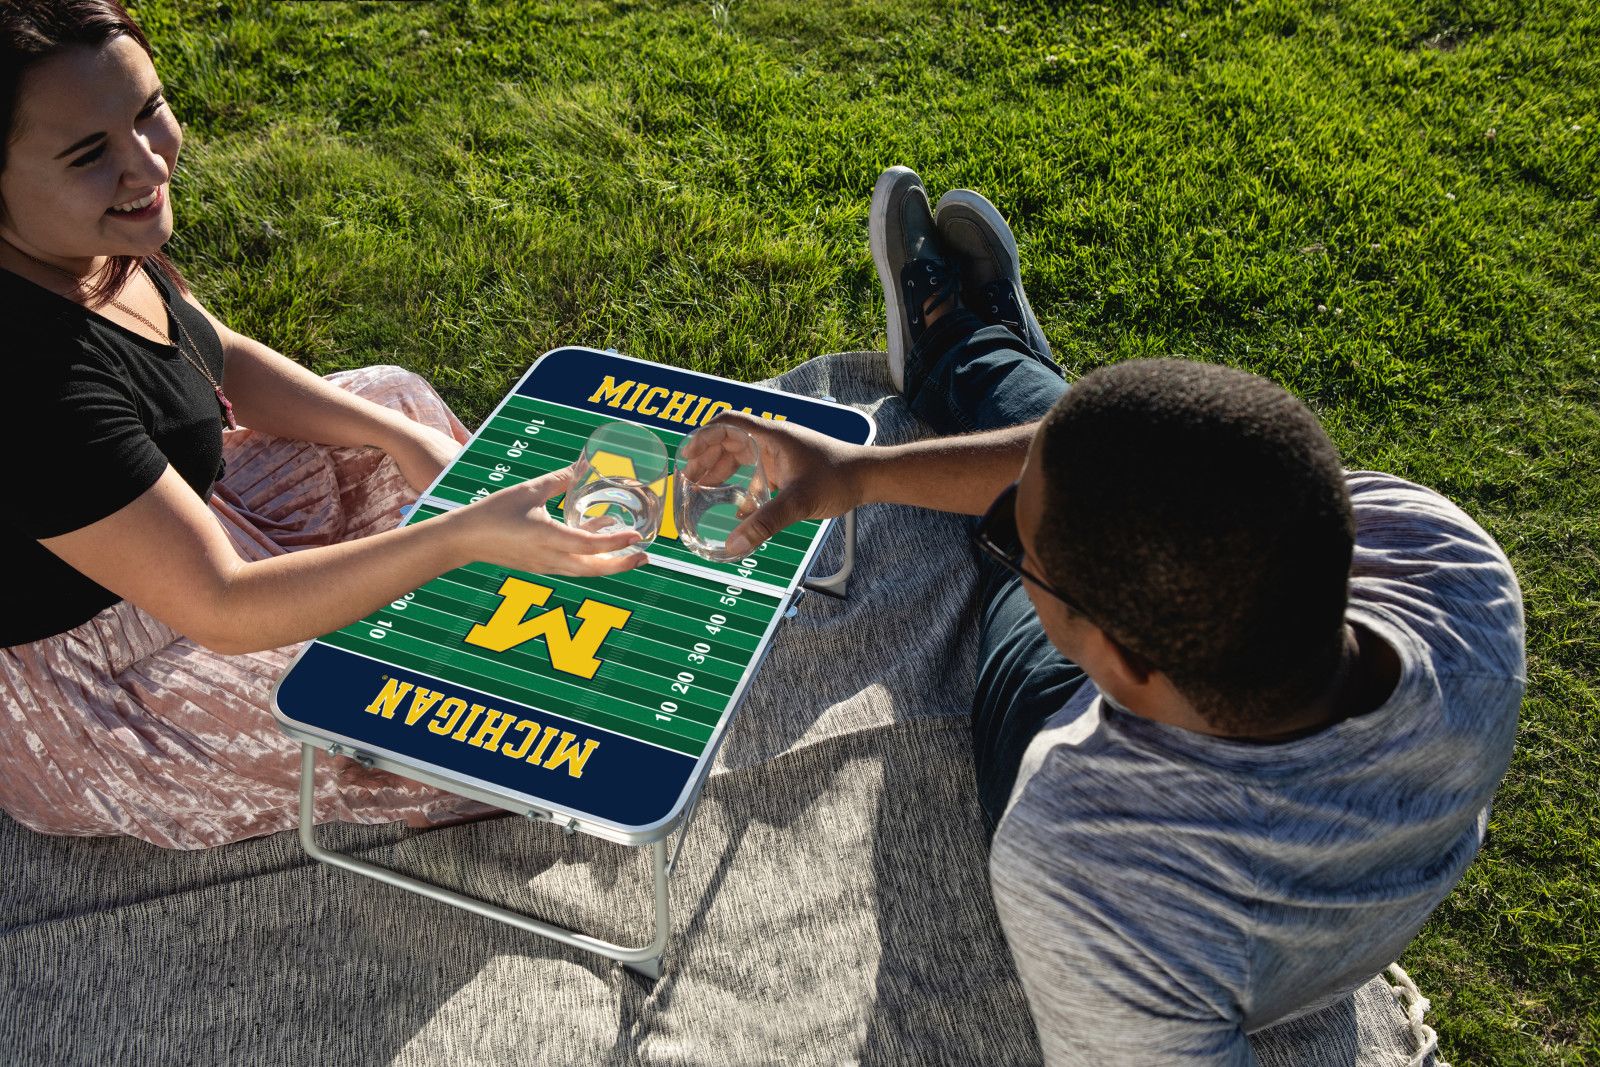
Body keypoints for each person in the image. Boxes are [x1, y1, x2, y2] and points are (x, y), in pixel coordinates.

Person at [715, 166, 1524, 1063]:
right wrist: (855, 473)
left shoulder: (1088, 859)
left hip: (1072, 742)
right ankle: (985, 360)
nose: (1007, 549)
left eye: (1018, 551)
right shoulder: (1451, 562)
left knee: (1047, 512)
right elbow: (1161, 473)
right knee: (1100, 457)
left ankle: (973, 356)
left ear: (1118, 662)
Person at [0, 0, 643, 850]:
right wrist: (458, 537)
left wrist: (400, 439)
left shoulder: (83, 241)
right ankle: (491, 593)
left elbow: (211, 351)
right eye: (90, 153)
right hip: (110, 683)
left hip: (195, 526)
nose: (147, 160)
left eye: (148, 109)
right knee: (444, 719)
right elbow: (222, 605)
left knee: (392, 400)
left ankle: (495, 572)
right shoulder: (28, 376)